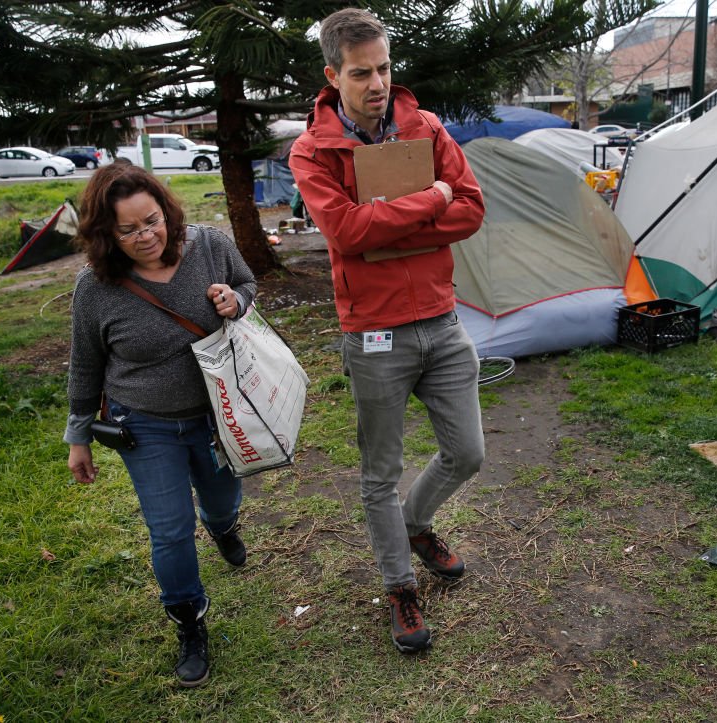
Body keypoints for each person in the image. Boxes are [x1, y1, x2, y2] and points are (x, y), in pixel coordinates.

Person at [289, 7, 486, 654]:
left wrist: (388, 226)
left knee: (468, 452)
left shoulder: (422, 126)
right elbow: (346, 232)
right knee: (381, 470)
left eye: (384, 68)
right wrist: (431, 199)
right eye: (361, 73)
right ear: (332, 74)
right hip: (374, 333)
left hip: (442, 318)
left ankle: (416, 524)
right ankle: (400, 583)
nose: (377, 83)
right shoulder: (312, 150)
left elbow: (473, 210)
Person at [64, 162, 257, 687]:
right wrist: (78, 436)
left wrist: (235, 301)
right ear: (106, 234)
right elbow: (86, 365)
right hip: (142, 424)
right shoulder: (96, 288)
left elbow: (246, 282)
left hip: (216, 416)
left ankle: (223, 526)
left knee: (222, 499)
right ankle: (190, 624)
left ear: (167, 211)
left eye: (152, 220)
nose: (145, 236)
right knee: (170, 531)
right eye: (127, 230)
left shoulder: (209, 245)